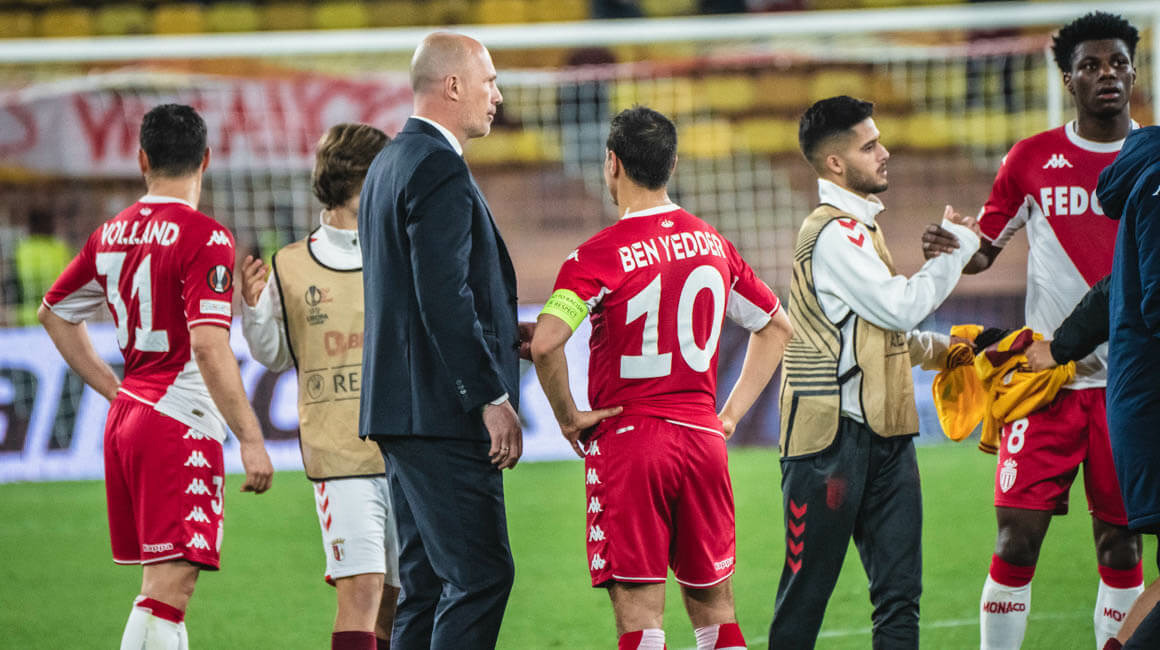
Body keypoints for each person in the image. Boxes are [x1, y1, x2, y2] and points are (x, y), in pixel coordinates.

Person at [531, 106, 793, 650]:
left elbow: (546, 343)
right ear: (671, 165)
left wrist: (569, 416)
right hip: (702, 441)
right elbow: (776, 326)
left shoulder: (596, 255)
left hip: (632, 444)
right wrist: (729, 416)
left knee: (641, 619)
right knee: (716, 614)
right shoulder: (713, 244)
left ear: (612, 163)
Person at [922, 12, 1143, 648]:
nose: (1108, 74)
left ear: (1134, 72)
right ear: (1068, 80)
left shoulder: (1151, 159)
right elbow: (985, 250)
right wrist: (957, 247)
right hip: (1046, 381)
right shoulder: (1031, 159)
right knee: (1015, 538)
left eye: (1119, 63)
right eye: (1091, 65)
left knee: (1122, 544)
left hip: (1129, 387)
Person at [37, 103, 274, 649]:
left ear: (142, 159)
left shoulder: (109, 234)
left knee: (163, 588)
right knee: (169, 589)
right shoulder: (207, 237)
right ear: (206, 159)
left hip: (131, 417)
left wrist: (115, 391)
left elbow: (54, 314)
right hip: (178, 419)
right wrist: (251, 437)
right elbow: (209, 346)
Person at [772, 95, 981, 649]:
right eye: (870, 146)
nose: (884, 152)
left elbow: (881, 335)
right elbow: (898, 308)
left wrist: (948, 351)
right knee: (805, 599)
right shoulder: (833, 235)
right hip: (827, 445)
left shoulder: (860, 230)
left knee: (899, 597)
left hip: (886, 437)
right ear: (836, 163)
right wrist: (957, 252)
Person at [357, 32, 528, 649]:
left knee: (426, 586)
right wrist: (488, 395)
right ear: (453, 86)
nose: (497, 96)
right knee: (481, 577)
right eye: (489, 82)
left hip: (402, 410)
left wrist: (503, 333)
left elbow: (413, 293)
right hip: (441, 414)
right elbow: (442, 295)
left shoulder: (389, 162)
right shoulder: (438, 166)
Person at [240, 123, 399, 650]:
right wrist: (254, 311)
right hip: (339, 455)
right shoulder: (290, 264)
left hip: (407, 452)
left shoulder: (399, 251)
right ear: (362, 179)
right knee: (362, 588)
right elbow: (276, 355)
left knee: (399, 601)